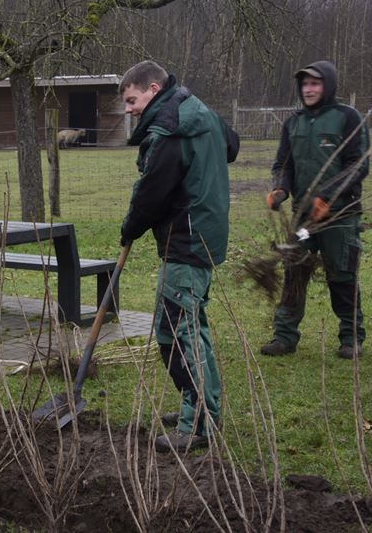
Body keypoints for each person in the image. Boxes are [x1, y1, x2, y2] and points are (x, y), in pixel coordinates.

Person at [119, 61, 239, 453]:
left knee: (180, 331)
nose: (129, 109)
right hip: (203, 234)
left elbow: (152, 194)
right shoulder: (198, 111)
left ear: (153, 89)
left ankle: (200, 422)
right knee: (182, 328)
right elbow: (232, 144)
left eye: (132, 99)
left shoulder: (170, 128)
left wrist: (129, 228)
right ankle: (198, 403)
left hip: (186, 240)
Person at [261, 60, 368, 360]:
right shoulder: (293, 123)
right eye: (305, 84)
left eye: (315, 83)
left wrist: (329, 196)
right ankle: (284, 337)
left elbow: (358, 165)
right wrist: (280, 188)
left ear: (328, 85)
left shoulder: (347, 118)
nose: (308, 89)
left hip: (340, 217)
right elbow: (284, 164)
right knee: (294, 268)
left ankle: (351, 337)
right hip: (304, 219)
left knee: (341, 274)